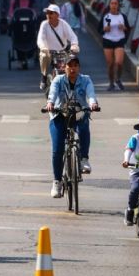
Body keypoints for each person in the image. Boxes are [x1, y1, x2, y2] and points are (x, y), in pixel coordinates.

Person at [43, 54, 99, 197]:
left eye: (75, 66)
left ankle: (84, 159)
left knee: (84, 124)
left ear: (79, 67)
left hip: (78, 113)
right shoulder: (58, 80)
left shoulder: (86, 80)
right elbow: (53, 93)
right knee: (58, 149)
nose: (73, 69)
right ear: (64, 67)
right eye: (70, 66)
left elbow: (91, 94)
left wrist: (93, 103)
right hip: (59, 114)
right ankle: (57, 182)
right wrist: (50, 103)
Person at [36, 4, 80, 88]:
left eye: (51, 13)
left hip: (62, 52)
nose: (48, 15)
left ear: (57, 15)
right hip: (48, 52)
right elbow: (40, 39)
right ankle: (44, 76)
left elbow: (72, 36)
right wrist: (43, 47)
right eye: (47, 13)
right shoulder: (44, 24)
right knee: (44, 56)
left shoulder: (63, 24)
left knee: (72, 63)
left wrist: (74, 45)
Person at [100, 0, 130, 91]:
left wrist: (124, 28)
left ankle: (118, 79)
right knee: (110, 64)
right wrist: (104, 29)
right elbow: (99, 29)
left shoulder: (122, 17)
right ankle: (111, 83)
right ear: (109, 5)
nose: (113, 5)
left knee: (119, 62)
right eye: (112, 3)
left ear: (118, 5)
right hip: (108, 41)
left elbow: (128, 29)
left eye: (115, 3)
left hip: (119, 41)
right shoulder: (105, 16)